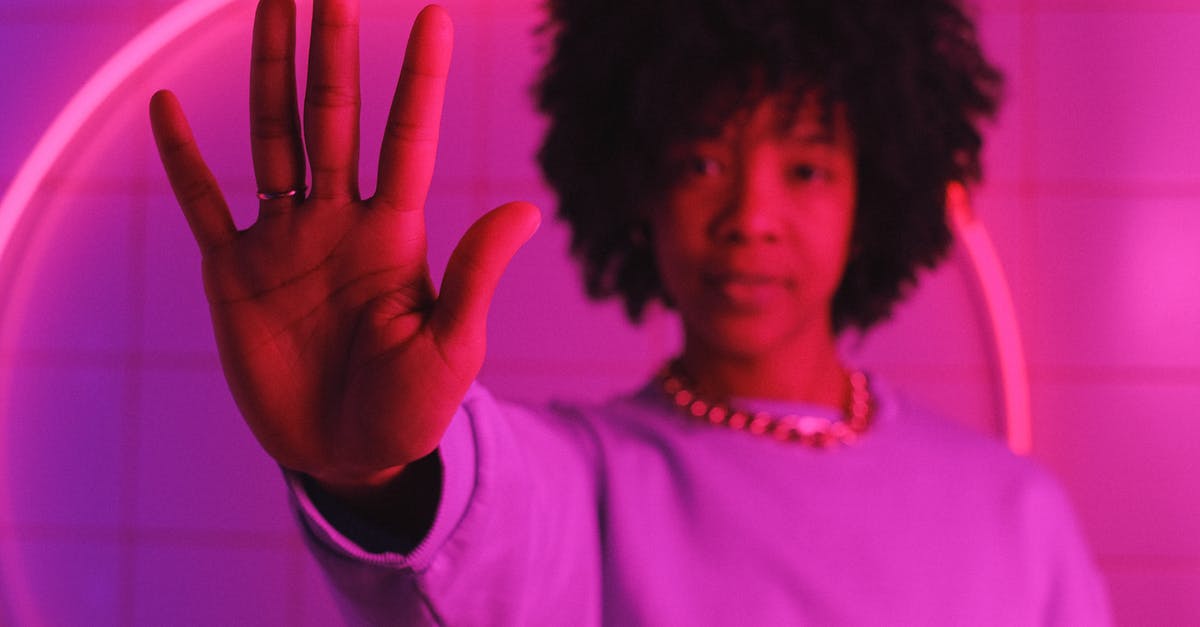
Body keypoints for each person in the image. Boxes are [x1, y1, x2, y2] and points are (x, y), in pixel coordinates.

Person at [150, 0, 1112, 624]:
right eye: (701, 163)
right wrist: (382, 473)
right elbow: (487, 527)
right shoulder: (588, 479)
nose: (749, 220)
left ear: (877, 198)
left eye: (807, 168)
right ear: (635, 189)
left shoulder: (1015, 511)